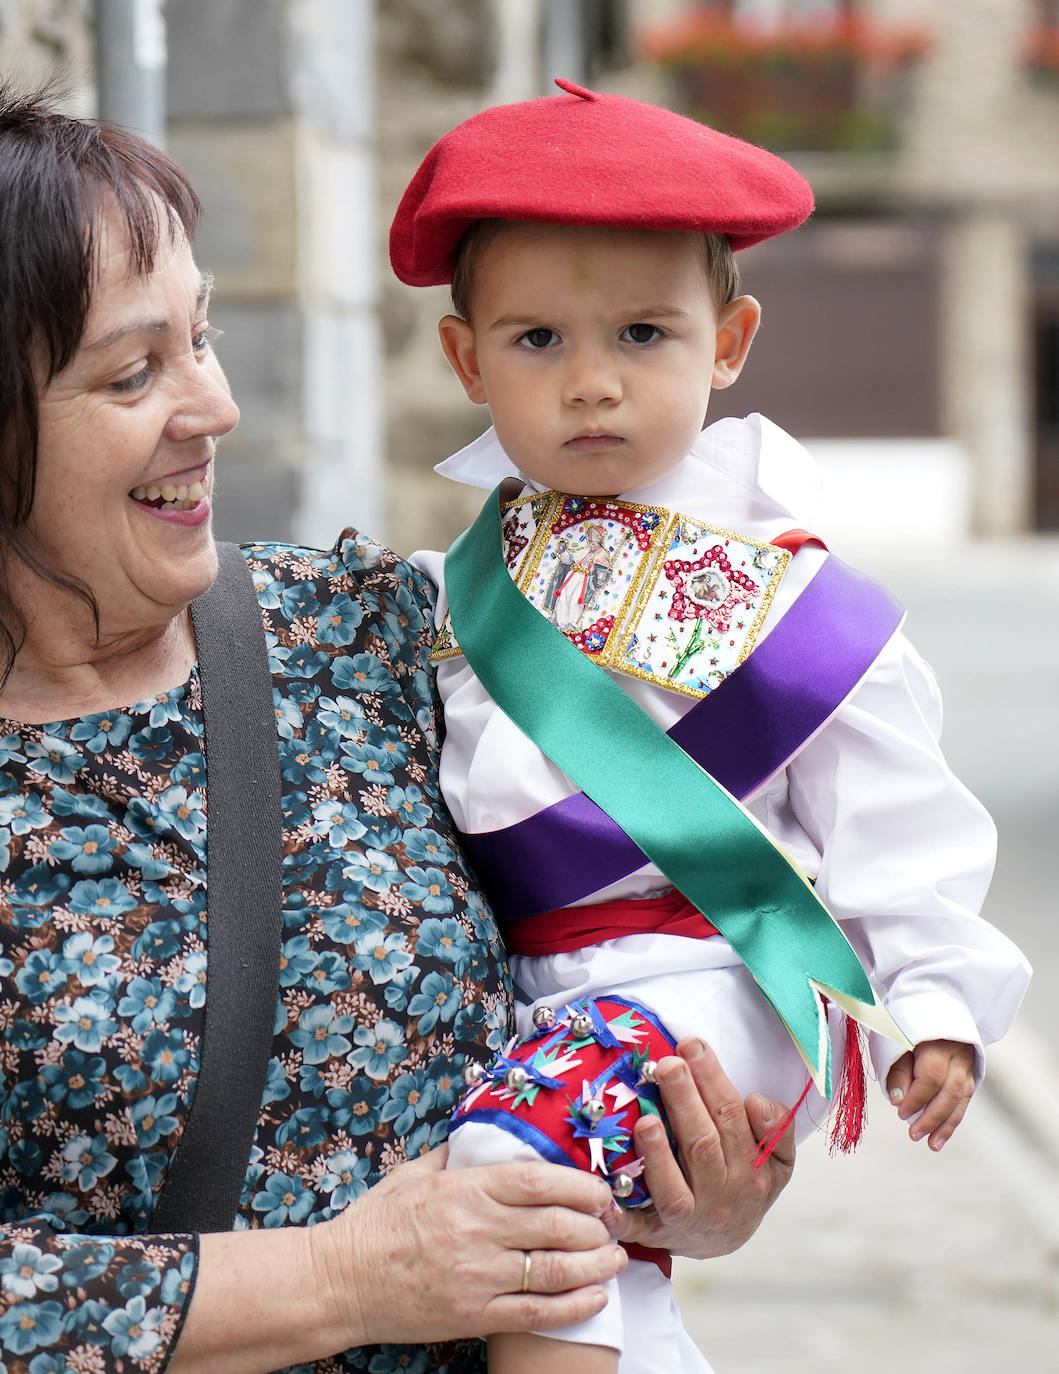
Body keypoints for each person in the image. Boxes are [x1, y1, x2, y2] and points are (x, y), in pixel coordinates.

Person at [0, 87, 803, 1374]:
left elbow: (675, 906)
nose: (214, 406)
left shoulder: (378, 631)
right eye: (133, 372)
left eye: (203, 337)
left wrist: (709, 1177)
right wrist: (345, 1280)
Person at [390, 81, 1032, 1374]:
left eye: (640, 333)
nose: (589, 384)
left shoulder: (781, 587)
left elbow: (892, 813)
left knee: (512, 1165)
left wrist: (936, 1000)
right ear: (464, 360)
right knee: (591, 1260)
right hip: (538, 991)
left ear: (726, 338)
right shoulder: (453, 585)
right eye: (533, 341)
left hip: (710, 974)